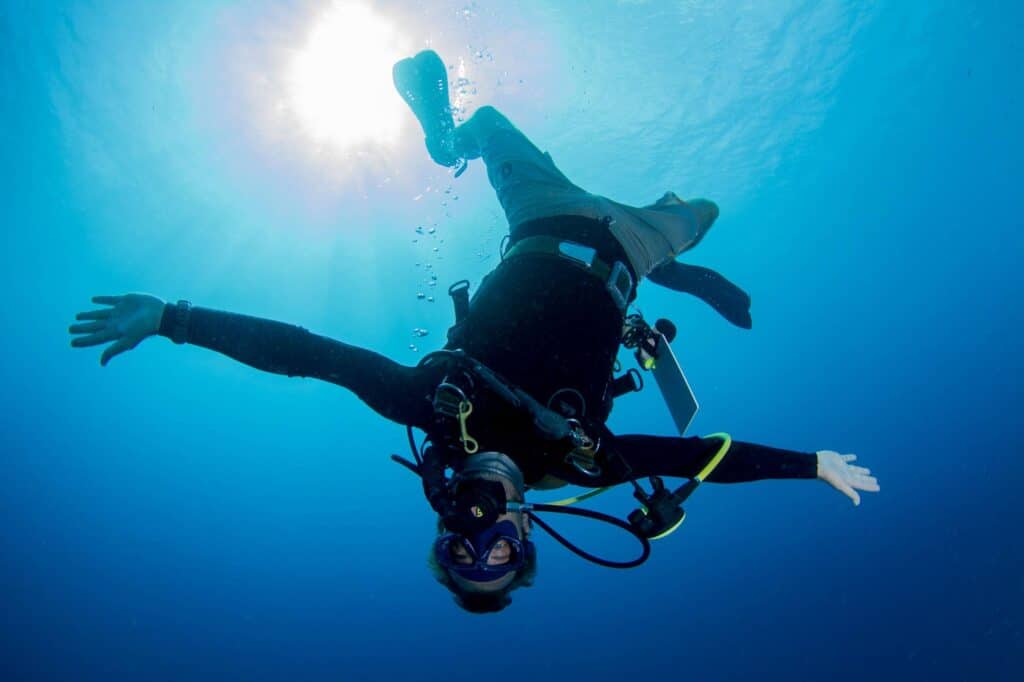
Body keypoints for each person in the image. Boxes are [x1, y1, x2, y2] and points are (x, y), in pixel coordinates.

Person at [68, 50, 879, 614]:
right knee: (703, 212)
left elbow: (312, 356)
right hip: (631, 249)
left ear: (444, 530)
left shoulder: (433, 406)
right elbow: (700, 457)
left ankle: (442, 141)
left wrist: (172, 318)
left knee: (485, 121)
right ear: (526, 537)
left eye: (463, 552)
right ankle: (675, 263)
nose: (482, 536)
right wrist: (809, 465)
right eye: (500, 555)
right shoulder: (579, 459)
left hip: (543, 217)